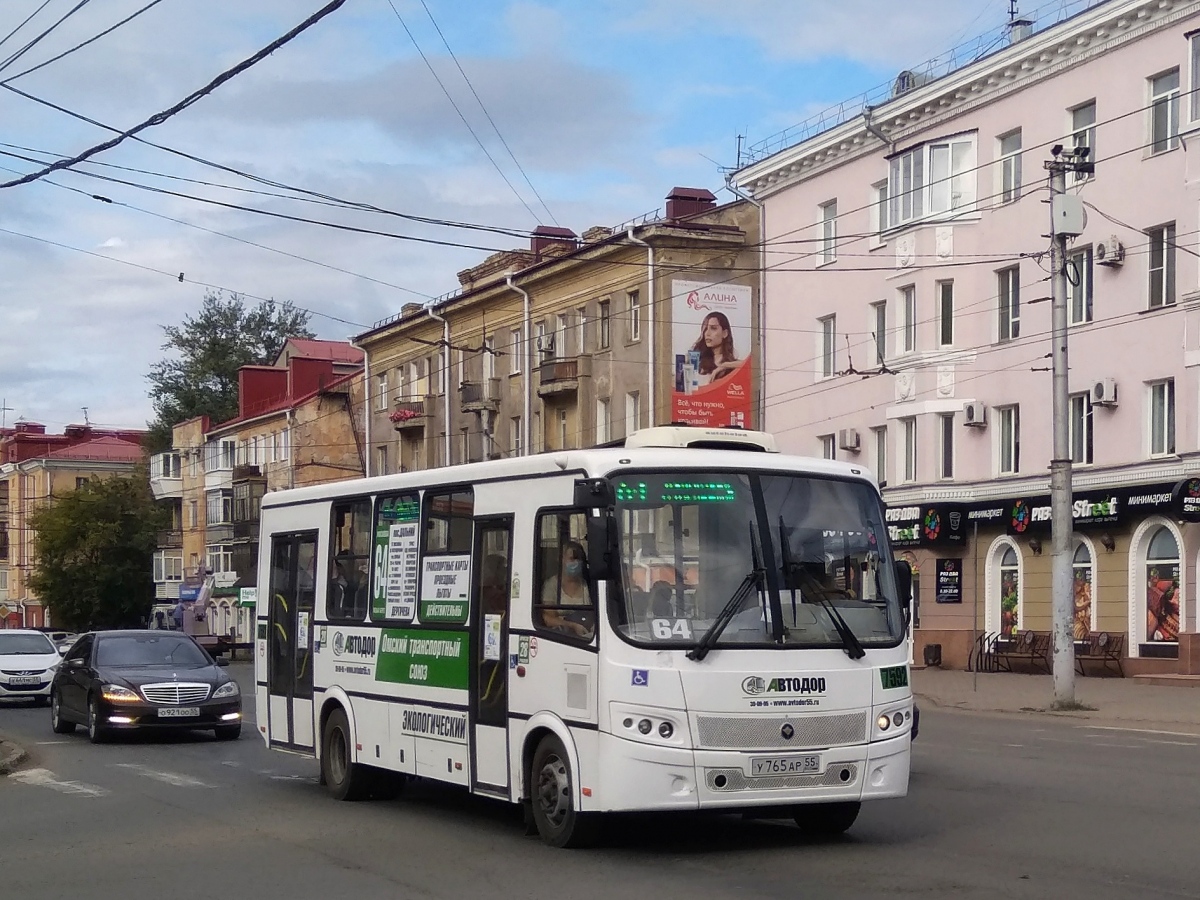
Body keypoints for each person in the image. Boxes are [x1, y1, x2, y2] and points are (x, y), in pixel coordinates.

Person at [540, 540, 593, 639]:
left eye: (579, 559)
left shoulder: (587, 585)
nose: (576, 563)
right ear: (561, 559)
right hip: (563, 638)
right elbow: (548, 618)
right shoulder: (551, 585)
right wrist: (572, 625)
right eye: (572, 559)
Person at [690, 311, 740, 384]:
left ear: (724, 333)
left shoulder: (731, 363)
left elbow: (751, 365)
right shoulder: (698, 360)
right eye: (705, 329)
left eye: (713, 328)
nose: (707, 333)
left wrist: (725, 365)